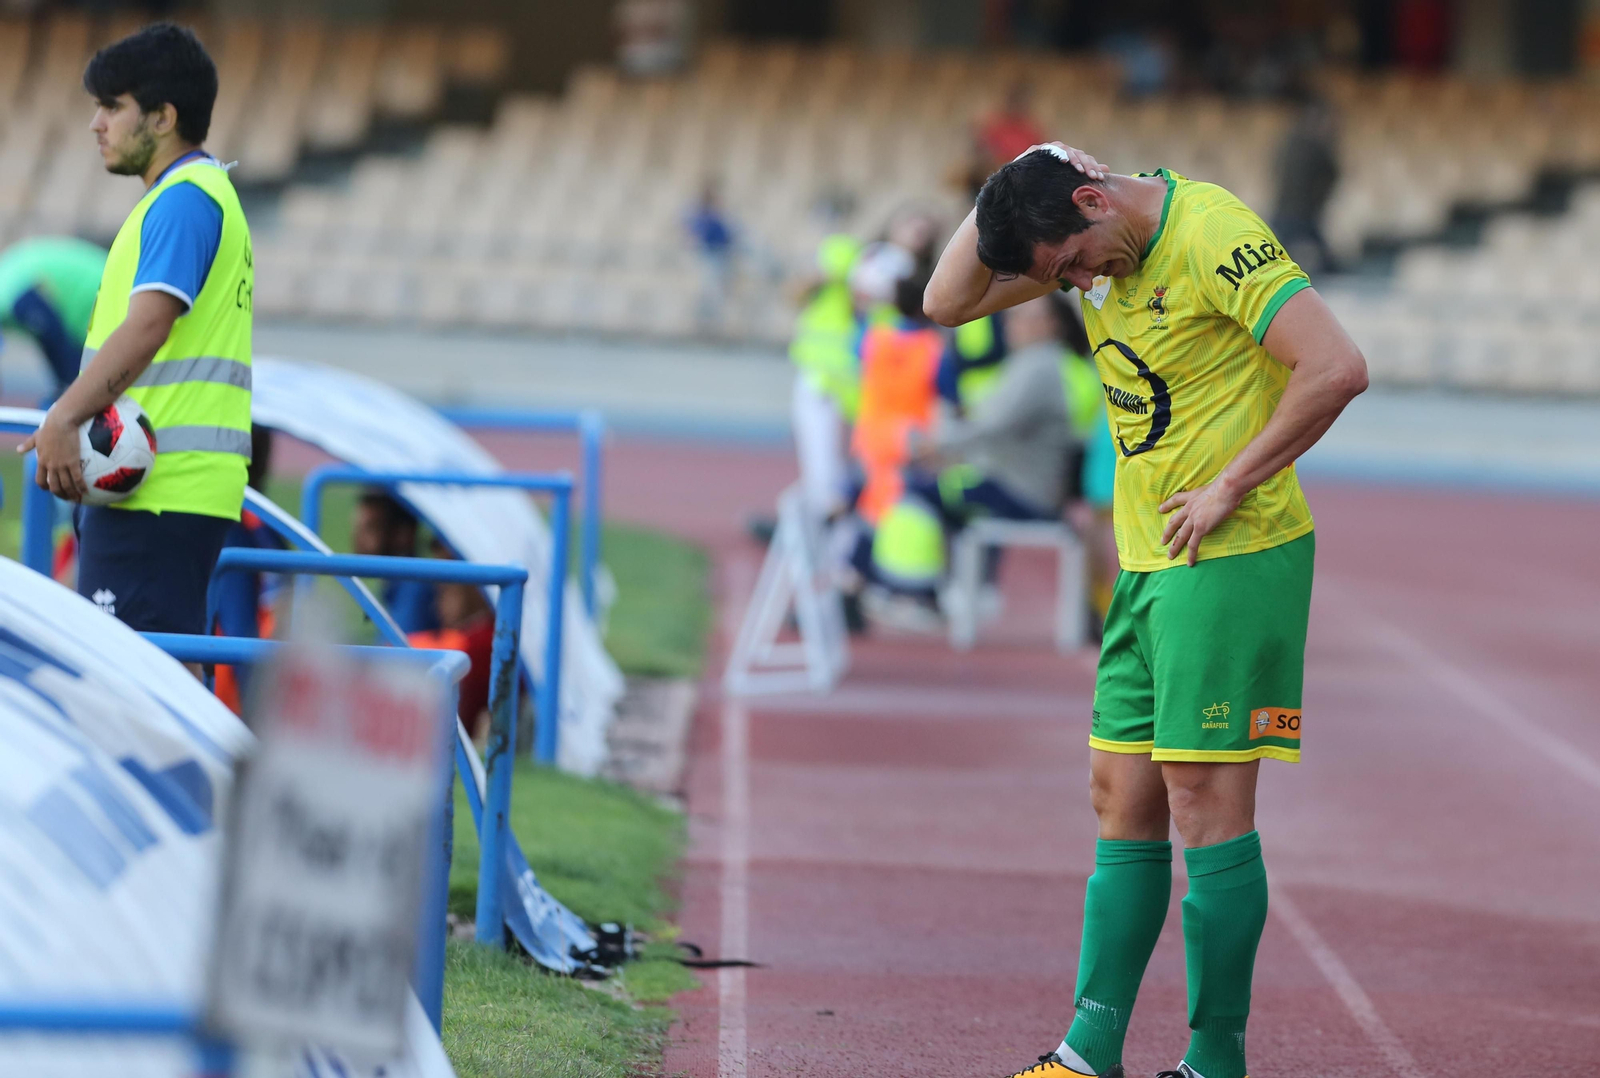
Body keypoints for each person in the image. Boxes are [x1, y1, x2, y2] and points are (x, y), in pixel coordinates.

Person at [925, 143, 1368, 1078]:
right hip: (1143, 559)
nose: (1078, 285)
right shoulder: (1081, 241)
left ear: (1096, 200)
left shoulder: (1211, 235)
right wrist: (1014, 171)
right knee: (1118, 797)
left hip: (1232, 551)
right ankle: (1090, 1051)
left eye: (1075, 263)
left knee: (1203, 803)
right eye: (1060, 279)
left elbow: (1335, 367)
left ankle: (1215, 1062)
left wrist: (1228, 484)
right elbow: (946, 301)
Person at [20, 24, 254, 640]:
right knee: (163, 678)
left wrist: (64, 417)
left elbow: (149, 325)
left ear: (162, 117)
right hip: (158, 487)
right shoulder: (191, 196)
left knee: (136, 694)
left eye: (112, 107)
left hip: (159, 488)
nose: (97, 124)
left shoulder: (182, 201)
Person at [0, 237, 108, 397]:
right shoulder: (8, 280)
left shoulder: (10, 294)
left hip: (106, 294)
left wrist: (70, 393)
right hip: (96, 291)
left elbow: (54, 338)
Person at [351, 491, 441, 635]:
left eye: (371, 527)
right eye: (357, 527)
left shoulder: (413, 588)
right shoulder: (400, 583)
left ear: (403, 534)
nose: (357, 538)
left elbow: (399, 653)